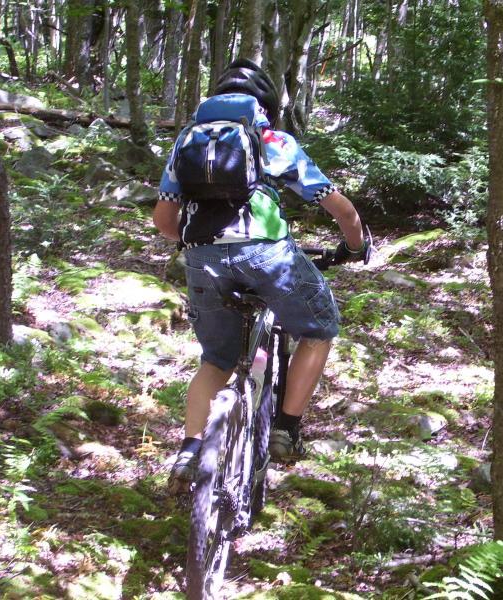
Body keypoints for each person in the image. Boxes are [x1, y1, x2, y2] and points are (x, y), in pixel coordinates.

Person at [153, 59, 367, 493]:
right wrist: (355, 244)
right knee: (320, 327)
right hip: (267, 253)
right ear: (265, 107)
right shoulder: (273, 141)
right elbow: (336, 205)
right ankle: (287, 431)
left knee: (215, 359)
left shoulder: (186, 143)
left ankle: (189, 452)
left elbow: (163, 219)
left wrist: (196, 244)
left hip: (202, 256)